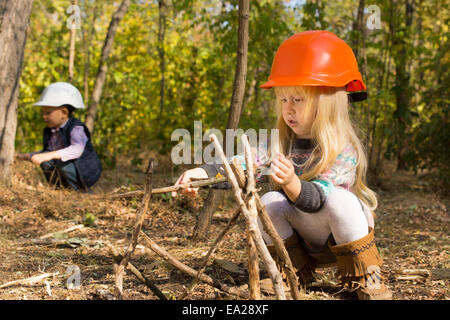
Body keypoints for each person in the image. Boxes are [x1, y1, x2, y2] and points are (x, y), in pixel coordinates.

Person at [171, 31, 392, 300]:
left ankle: (368, 279)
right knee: (271, 200)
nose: (288, 108)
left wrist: (292, 183)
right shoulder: (277, 142)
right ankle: (291, 274)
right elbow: (242, 165)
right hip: (305, 241)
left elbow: (321, 196)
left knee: (342, 200)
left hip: (340, 236)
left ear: (327, 102)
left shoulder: (344, 148)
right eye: (283, 99)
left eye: (297, 99)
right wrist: (202, 173)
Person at [15, 82, 102, 192]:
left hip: (86, 170)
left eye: (48, 113)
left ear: (64, 113)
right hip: (67, 167)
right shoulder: (49, 131)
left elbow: (76, 149)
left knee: (63, 164)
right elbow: (46, 152)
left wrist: (48, 155)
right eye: (43, 113)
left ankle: (80, 191)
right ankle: (60, 189)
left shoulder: (76, 128)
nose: (44, 117)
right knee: (46, 163)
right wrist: (23, 156)